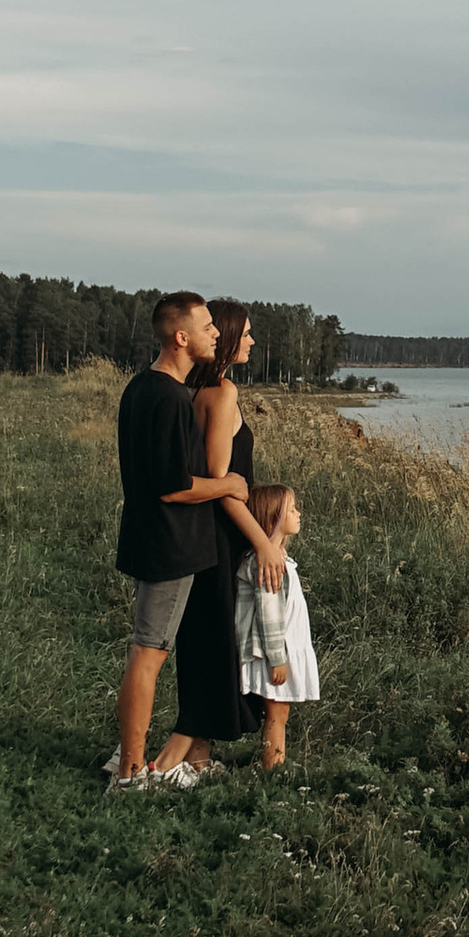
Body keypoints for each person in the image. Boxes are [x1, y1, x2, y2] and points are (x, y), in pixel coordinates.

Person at [110, 293, 280, 791]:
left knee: (162, 649)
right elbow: (175, 485)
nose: (217, 334)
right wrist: (229, 486)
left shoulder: (148, 389)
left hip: (164, 539)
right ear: (182, 336)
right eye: (208, 327)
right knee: (150, 652)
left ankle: (168, 760)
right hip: (171, 543)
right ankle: (130, 773)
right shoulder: (167, 396)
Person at [172, 297, 263, 774]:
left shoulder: (190, 389)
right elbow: (223, 483)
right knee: (218, 640)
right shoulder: (222, 393)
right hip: (221, 536)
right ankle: (186, 757)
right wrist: (265, 544)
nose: (251, 340)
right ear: (226, 338)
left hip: (200, 536)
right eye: (245, 333)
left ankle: (197, 755)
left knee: (207, 639)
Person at [235, 482, 320, 768]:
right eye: (292, 509)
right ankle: (274, 768)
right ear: (273, 518)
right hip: (273, 652)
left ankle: (275, 762)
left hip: (283, 649)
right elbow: (268, 615)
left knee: (279, 711)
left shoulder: (279, 559)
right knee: (277, 713)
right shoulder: (268, 563)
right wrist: (277, 659)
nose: (299, 514)